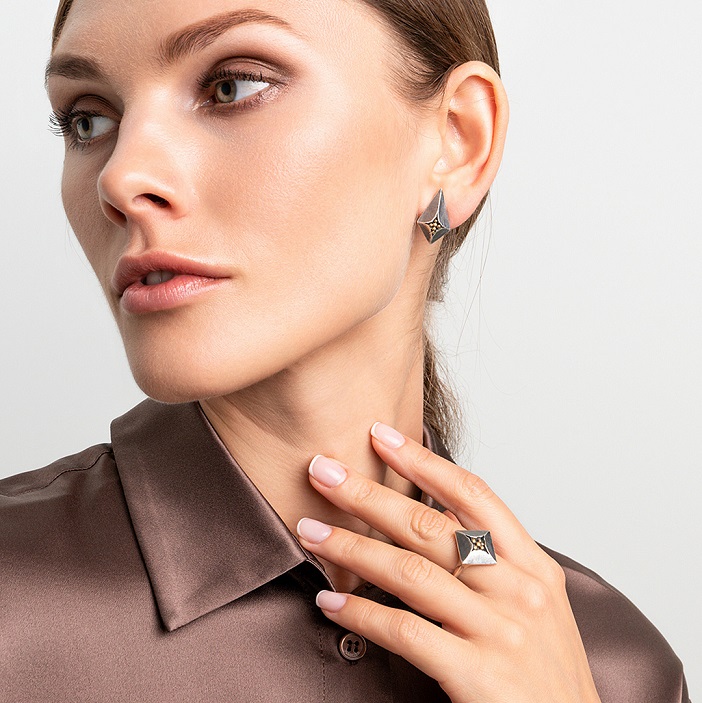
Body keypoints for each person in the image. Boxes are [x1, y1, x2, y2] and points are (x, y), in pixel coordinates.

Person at [0, 0, 690, 701]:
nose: (120, 178)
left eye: (231, 86)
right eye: (88, 120)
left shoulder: (616, 666)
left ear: (457, 142)